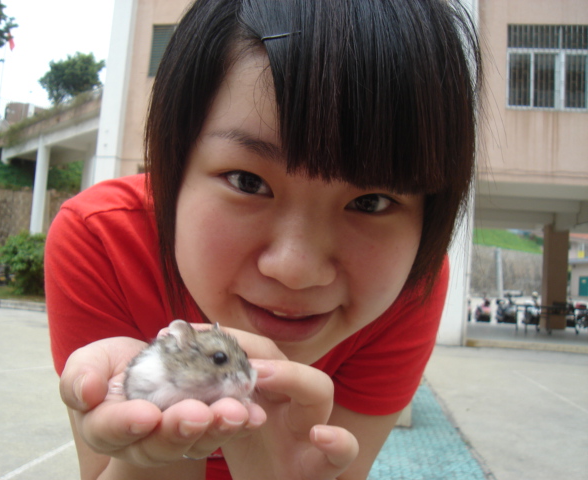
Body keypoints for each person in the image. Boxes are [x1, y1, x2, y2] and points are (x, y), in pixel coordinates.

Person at [46, 0, 482, 478]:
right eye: (247, 181)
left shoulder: (408, 283)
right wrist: (151, 449)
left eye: (370, 201)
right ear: (173, 163)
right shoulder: (102, 240)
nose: (296, 270)